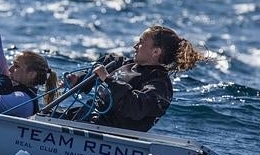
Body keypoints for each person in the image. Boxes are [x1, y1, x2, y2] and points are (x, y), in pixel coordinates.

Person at [66, 25, 206, 132]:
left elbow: (135, 107)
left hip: (109, 133)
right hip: (84, 117)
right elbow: (92, 76)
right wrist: (77, 79)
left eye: (140, 43)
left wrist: (108, 80)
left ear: (155, 52)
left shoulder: (159, 85)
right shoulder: (122, 64)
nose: (135, 46)